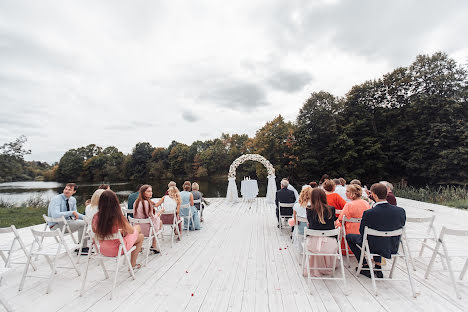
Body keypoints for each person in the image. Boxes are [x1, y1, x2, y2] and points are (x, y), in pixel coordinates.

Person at [346, 183, 406, 278]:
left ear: (373, 194)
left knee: (349, 237)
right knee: (379, 237)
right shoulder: (400, 211)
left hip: (372, 246)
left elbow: (362, 232)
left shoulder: (369, 213)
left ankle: (365, 265)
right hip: (392, 246)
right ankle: (378, 266)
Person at [92, 190, 144, 269]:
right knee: (140, 235)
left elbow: (95, 231)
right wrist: (122, 230)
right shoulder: (117, 216)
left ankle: (136, 253)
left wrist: (117, 232)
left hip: (103, 249)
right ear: (115, 202)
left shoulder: (96, 216)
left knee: (137, 230)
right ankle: (133, 264)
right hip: (118, 249)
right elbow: (131, 231)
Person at [304, 188, 337, 277]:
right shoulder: (332, 209)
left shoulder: (309, 210)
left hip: (313, 244)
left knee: (314, 238)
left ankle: (317, 266)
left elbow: (310, 224)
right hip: (330, 244)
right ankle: (327, 265)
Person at [47, 183, 88, 253]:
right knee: (83, 224)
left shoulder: (73, 200)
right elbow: (55, 215)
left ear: (74, 191)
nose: (66, 191)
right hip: (56, 225)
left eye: (69, 190)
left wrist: (86, 217)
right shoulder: (56, 199)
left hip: (66, 223)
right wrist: (71, 213)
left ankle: (81, 246)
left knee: (87, 221)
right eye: (66, 189)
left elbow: (75, 214)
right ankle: (82, 248)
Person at [335, 184, 370, 254]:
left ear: (353, 194)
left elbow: (341, 219)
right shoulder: (366, 203)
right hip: (363, 231)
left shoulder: (349, 205)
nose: (345, 193)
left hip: (350, 232)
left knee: (337, 223)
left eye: (347, 191)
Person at [133, 185, 164, 253]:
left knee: (155, 221)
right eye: (148, 191)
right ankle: (153, 245)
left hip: (138, 229)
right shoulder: (147, 203)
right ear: (143, 193)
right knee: (159, 221)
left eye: (151, 191)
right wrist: (160, 212)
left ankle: (140, 246)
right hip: (147, 231)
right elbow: (153, 218)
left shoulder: (136, 202)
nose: (151, 193)